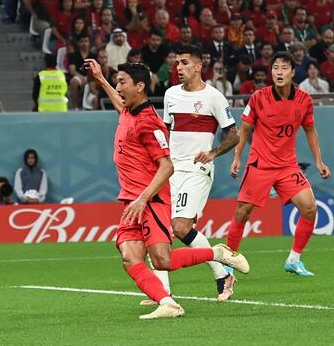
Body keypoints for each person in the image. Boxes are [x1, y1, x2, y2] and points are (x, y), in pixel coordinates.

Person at [84, 57, 250, 319]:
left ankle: (217, 253)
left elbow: (166, 166)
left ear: (139, 86)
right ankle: (167, 302)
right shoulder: (130, 111)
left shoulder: (149, 122)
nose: (118, 88)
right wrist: (100, 79)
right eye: (116, 82)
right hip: (132, 201)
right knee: (130, 256)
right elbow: (121, 107)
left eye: (122, 82)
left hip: (151, 201)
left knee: (162, 260)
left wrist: (143, 199)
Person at [146, 45, 240, 304]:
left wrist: (213, 152)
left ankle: (221, 270)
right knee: (161, 229)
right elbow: (165, 131)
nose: (179, 68)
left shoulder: (214, 97)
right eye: (177, 63)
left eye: (185, 63)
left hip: (197, 170)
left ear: (198, 66)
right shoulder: (170, 94)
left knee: (180, 226)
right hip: (171, 170)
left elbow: (234, 135)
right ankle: (164, 292)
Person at [227, 51, 331, 276]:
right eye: (275, 68)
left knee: (310, 208)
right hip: (260, 164)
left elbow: (310, 130)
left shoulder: (304, 100)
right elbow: (244, 130)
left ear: (293, 72)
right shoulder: (258, 97)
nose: (279, 72)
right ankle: (229, 262)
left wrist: (319, 161)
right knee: (242, 212)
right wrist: (237, 157)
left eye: (284, 68)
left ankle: (294, 260)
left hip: (287, 166)